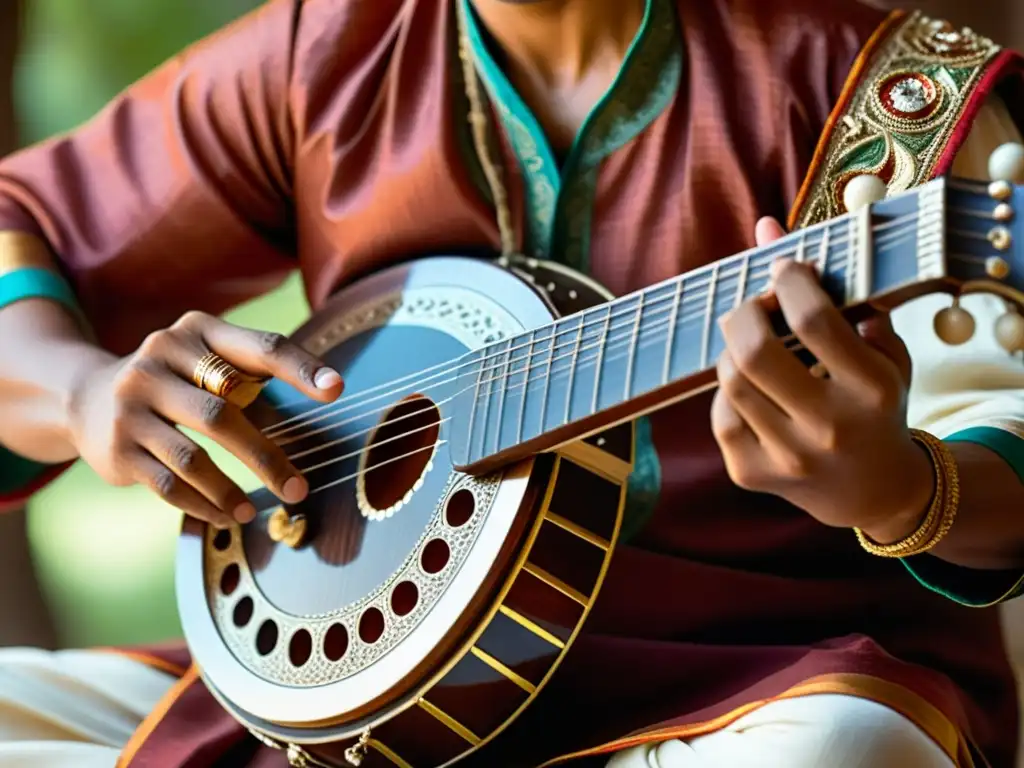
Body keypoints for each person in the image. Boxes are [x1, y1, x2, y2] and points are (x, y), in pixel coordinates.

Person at [0, 0, 1022, 765]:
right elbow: (24, 220)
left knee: (839, 751)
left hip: (742, 687)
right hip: (365, 691)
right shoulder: (329, 53)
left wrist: (901, 488)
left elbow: (1005, 438)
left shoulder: (883, 97)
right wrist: (83, 391)